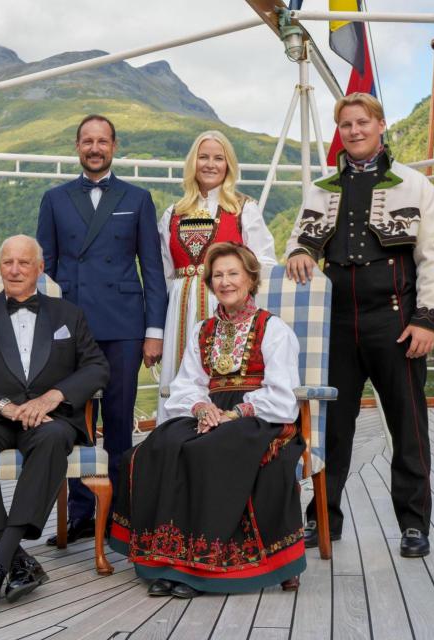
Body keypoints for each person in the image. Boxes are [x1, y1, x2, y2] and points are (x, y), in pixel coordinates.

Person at [285, 93, 434, 558]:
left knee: (407, 424)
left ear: (380, 126)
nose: (354, 131)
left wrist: (425, 318)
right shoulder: (321, 189)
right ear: (339, 131)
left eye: (362, 122)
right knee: (332, 427)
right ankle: (322, 518)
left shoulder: (415, 185)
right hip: (335, 323)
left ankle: (414, 524)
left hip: (395, 321)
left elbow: (433, 256)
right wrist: (299, 252)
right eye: (346, 124)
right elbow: (299, 239)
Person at [110, 242, 306, 597]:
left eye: (233, 274)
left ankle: (202, 567)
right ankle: (167, 560)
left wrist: (236, 412)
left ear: (251, 279)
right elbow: (188, 383)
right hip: (210, 412)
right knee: (162, 445)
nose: (225, 282)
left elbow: (282, 393)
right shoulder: (203, 329)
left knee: (207, 451)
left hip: (260, 416)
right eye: (218, 275)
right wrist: (202, 408)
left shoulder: (274, 329)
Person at [0, 235, 110, 611]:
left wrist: (53, 396)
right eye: (8, 263)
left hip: (48, 418)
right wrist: (0, 405)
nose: (14, 270)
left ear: (40, 268)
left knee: (52, 439)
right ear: (0, 268)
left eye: (24, 263)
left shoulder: (69, 314)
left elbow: (97, 367)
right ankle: (16, 559)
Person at [37, 114, 168, 544]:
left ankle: (119, 515)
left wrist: (154, 330)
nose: (95, 148)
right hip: (69, 324)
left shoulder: (138, 198)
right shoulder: (54, 199)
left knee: (118, 419)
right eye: (87, 141)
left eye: (102, 141)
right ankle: (79, 513)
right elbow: (45, 269)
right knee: (72, 418)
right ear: (77, 146)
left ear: (114, 146)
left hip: (124, 324)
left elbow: (152, 270)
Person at [157, 130, 277, 422]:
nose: (210, 164)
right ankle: (176, 435)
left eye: (218, 158)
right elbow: (162, 272)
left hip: (226, 304)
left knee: (222, 374)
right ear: (193, 163)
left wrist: (242, 302)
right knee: (181, 376)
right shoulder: (173, 213)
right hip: (180, 307)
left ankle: (223, 427)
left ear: (228, 165)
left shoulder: (243, 208)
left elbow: (263, 263)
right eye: (203, 157)